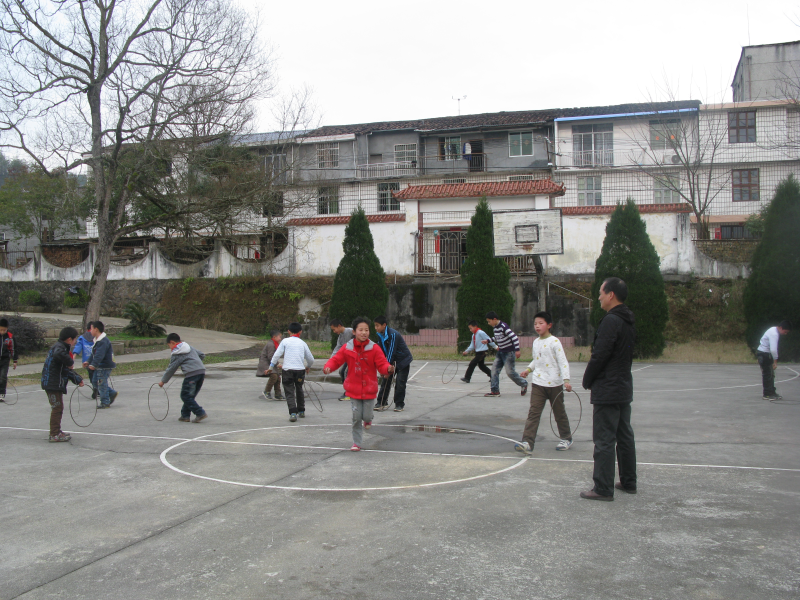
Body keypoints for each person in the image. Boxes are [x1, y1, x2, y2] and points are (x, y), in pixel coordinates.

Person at [580, 277, 637, 502]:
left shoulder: (611, 320)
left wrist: (587, 379)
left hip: (608, 388)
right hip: (623, 386)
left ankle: (603, 488)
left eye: (601, 293)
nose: (599, 297)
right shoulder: (627, 319)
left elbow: (600, 355)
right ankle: (629, 481)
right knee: (624, 436)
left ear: (611, 295)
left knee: (604, 439)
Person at [324, 317, 394, 451]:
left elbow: (382, 364)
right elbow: (336, 360)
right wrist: (328, 367)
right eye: (360, 330)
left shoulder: (374, 348)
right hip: (354, 389)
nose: (364, 332)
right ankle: (356, 443)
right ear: (354, 332)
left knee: (366, 415)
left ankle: (368, 419)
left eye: (366, 330)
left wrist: (388, 369)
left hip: (369, 389)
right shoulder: (347, 347)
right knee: (356, 417)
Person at [514, 311, 573, 454]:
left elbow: (562, 361)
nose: (537, 326)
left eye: (541, 323)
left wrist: (566, 380)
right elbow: (537, 359)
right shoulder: (536, 342)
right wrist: (528, 370)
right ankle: (527, 442)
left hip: (554, 384)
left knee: (559, 413)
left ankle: (566, 438)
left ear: (549, 325)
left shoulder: (554, 342)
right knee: (533, 413)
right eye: (535, 323)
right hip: (538, 384)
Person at [41, 326, 85, 442]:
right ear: (70, 339)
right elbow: (59, 355)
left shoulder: (62, 348)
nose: (75, 342)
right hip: (51, 383)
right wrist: (70, 361)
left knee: (59, 407)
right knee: (57, 408)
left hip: (55, 383)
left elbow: (65, 370)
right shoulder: (59, 348)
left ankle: (57, 431)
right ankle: (54, 434)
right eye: (75, 339)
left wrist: (77, 379)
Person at [267, 322, 314, 422]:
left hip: (287, 370)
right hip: (300, 370)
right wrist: (308, 366)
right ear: (300, 331)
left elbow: (276, 355)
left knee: (289, 391)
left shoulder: (285, 341)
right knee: (299, 389)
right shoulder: (303, 343)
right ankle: (301, 410)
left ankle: (293, 413)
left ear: (288, 331)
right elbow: (311, 359)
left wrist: (271, 367)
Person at [159, 333, 208, 423]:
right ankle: (185, 415)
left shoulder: (177, 352)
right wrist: (196, 365)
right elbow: (202, 355)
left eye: (169, 345)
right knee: (190, 396)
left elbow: (171, 368)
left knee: (185, 396)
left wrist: (163, 381)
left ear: (172, 342)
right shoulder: (188, 347)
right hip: (201, 372)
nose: (170, 347)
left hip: (191, 375)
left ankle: (200, 413)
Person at [374, 316, 413, 412]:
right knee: (385, 381)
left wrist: (387, 368)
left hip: (403, 361)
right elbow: (381, 351)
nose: (376, 328)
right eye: (375, 326)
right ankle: (381, 402)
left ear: (384, 325)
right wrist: (383, 367)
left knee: (400, 383)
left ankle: (399, 404)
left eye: (377, 325)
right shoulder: (379, 334)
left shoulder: (393, 334)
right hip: (391, 361)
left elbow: (392, 351)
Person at [484, 311, 527, 397]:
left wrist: (517, 350)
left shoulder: (503, 327)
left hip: (508, 353)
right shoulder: (495, 328)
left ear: (494, 319)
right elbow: (497, 337)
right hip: (500, 352)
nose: (488, 323)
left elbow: (514, 337)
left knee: (510, 372)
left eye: (489, 321)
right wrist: (488, 341)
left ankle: (523, 383)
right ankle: (495, 391)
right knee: (494, 371)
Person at [756, 320, 792, 400]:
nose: (785, 334)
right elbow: (773, 350)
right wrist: (775, 362)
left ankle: (772, 392)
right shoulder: (774, 334)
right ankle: (767, 394)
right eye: (785, 332)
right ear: (781, 328)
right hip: (764, 354)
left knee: (771, 374)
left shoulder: (773, 330)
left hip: (765, 354)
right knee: (768, 374)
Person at [87, 321, 117, 408]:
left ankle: (105, 402)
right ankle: (111, 393)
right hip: (100, 365)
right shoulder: (98, 340)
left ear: (96, 329)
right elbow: (94, 354)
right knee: (95, 381)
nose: (90, 331)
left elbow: (100, 355)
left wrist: (93, 364)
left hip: (104, 365)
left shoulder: (103, 341)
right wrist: (88, 362)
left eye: (91, 329)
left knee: (101, 383)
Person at [330, 319, 354, 400]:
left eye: (334, 329)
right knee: (342, 372)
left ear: (339, 326)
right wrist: (331, 360)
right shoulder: (340, 336)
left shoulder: (351, 331)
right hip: (348, 358)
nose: (334, 331)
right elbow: (338, 348)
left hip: (355, 358)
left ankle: (350, 392)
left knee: (346, 372)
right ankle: (348, 391)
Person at [257, 330, 284, 400]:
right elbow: (271, 356)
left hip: (270, 363)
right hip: (265, 363)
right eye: (279, 337)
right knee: (274, 376)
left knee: (278, 377)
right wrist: (278, 364)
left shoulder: (274, 343)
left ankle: (278, 394)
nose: (280, 339)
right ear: (274, 337)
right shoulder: (271, 345)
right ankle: (267, 391)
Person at [71, 322, 96, 398]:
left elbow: (77, 348)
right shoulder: (97, 337)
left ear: (87, 329)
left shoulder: (82, 338)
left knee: (91, 375)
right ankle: (98, 388)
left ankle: (95, 387)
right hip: (97, 360)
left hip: (87, 361)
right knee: (98, 375)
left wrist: (73, 358)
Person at [0, 317, 18, 403]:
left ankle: (2, 394)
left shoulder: (10, 337)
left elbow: (13, 349)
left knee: (3, 377)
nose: (2, 331)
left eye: (4, 330)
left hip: (5, 360)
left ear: (7, 329)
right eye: (0, 330)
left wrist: (15, 360)